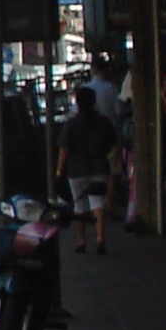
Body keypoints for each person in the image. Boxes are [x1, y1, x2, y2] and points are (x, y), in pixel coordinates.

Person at [57, 85, 121, 254]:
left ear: (77, 103)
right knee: (98, 202)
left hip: (76, 169)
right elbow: (113, 143)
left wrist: (59, 170)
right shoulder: (104, 122)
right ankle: (100, 237)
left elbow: (65, 149)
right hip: (100, 166)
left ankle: (81, 240)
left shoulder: (71, 125)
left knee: (80, 205)